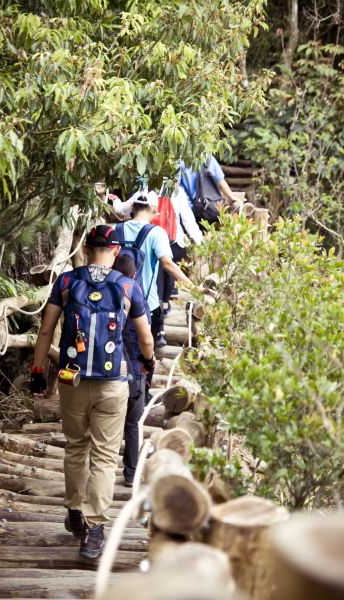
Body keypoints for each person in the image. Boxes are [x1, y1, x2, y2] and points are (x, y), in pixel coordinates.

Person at [29, 225, 154, 560]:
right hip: (113, 383)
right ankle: (95, 530)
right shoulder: (128, 286)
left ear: (85, 249)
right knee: (103, 455)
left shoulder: (66, 282)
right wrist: (148, 361)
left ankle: (73, 510)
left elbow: (45, 330)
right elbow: (145, 338)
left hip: (73, 380)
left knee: (76, 447)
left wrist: (38, 372)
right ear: (115, 252)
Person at [113, 191, 192, 348]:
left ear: (133, 207)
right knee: (145, 353)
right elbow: (167, 264)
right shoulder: (157, 233)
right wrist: (192, 286)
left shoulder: (117, 229)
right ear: (154, 209)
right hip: (147, 304)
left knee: (119, 349)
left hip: (117, 300)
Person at [113, 254, 149, 486]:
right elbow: (145, 337)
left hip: (107, 367)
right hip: (134, 368)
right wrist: (150, 360)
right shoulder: (135, 291)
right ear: (134, 274)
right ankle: (131, 472)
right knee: (132, 423)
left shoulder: (106, 289)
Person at [156, 185, 203, 320]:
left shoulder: (144, 186)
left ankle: (160, 323)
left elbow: (125, 209)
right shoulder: (177, 190)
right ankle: (165, 305)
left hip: (150, 241)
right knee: (169, 265)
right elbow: (188, 220)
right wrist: (200, 242)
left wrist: (115, 202)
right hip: (174, 243)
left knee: (159, 267)